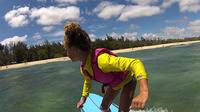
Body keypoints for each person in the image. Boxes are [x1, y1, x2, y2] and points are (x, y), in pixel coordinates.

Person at [64, 22, 149, 112]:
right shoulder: (84, 69)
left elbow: (135, 63)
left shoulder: (102, 60)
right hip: (114, 84)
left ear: (74, 49)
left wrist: (143, 92)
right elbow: (87, 81)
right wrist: (83, 98)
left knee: (123, 111)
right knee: (103, 108)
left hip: (128, 80)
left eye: (67, 50)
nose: (66, 54)